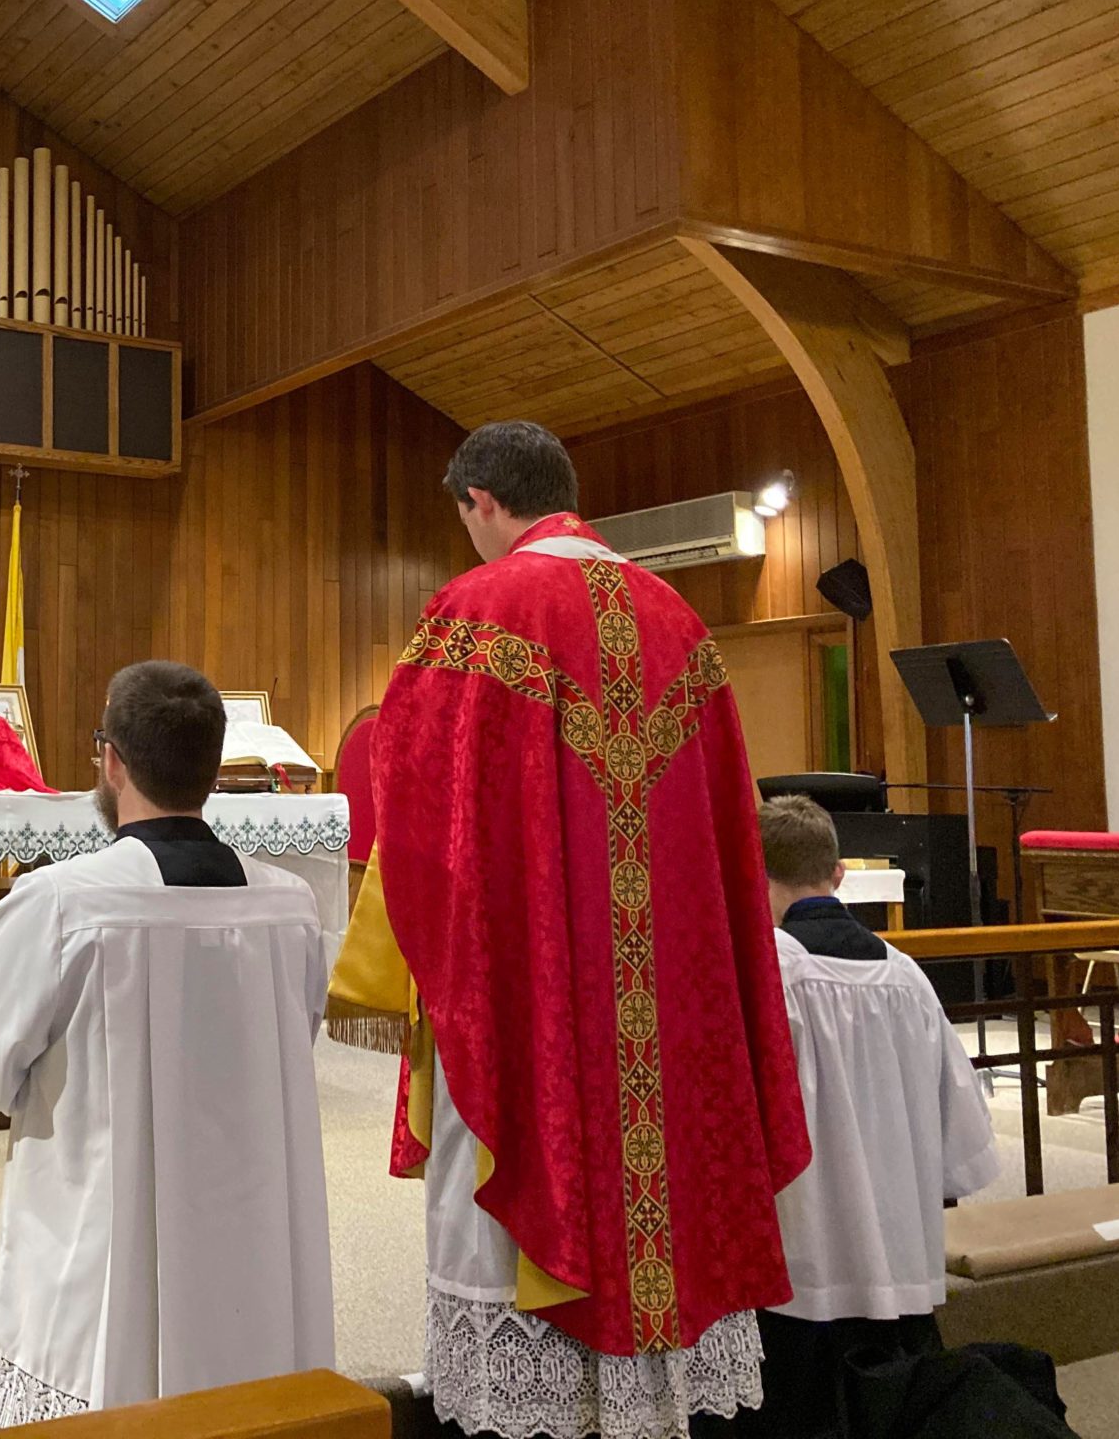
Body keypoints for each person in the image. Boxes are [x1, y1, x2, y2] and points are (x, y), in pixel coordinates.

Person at [328, 420, 811, 1439]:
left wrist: (409, 963)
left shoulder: (474, 613)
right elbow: (727, 833)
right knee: (656, 1190)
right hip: (665, 1006)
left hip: (526, 997)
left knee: (510, 1197)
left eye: (462, 518)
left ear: (479, 502)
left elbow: (417, 817)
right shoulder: (678, 619)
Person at [0, 661, 335, 1431]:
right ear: (213, 767)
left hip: (105, 1228)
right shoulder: (291, 905)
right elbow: (294, 1036)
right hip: (252, 1224)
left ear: (112, 759)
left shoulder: (66, 902)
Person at [744, 794, 999, 1437]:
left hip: (801, 1277)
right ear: (838, 876)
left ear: (750, 872)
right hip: (901, 1271)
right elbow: (961, 1143)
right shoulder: (909, 977)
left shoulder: (766, 974)